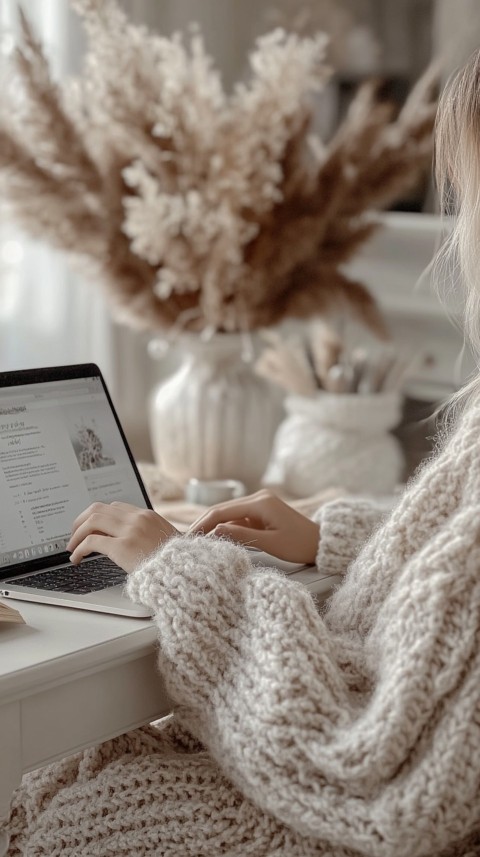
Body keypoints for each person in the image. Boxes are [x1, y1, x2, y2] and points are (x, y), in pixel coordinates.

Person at [5, 52, 480, 857]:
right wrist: (328, 537)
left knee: (55, 809)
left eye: (467, 197)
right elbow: (455, 579)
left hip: (334, 816)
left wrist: (187, 572)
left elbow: (383, 790)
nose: (459, 231)